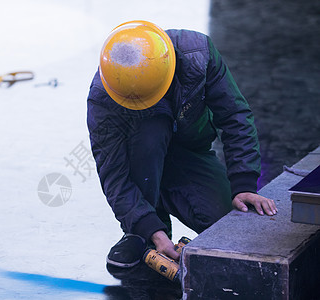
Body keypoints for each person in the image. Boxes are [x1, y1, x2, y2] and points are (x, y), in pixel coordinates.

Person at [86, 20, 277, 267]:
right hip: (141, 158)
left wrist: (244, 184)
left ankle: (156, 206)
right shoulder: (105, 96)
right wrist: (150, 229)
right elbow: (113, 174)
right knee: (150, 132)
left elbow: (234, 116)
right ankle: (144, 229)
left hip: (188, 154)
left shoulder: (199, 55)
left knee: (224, 222)